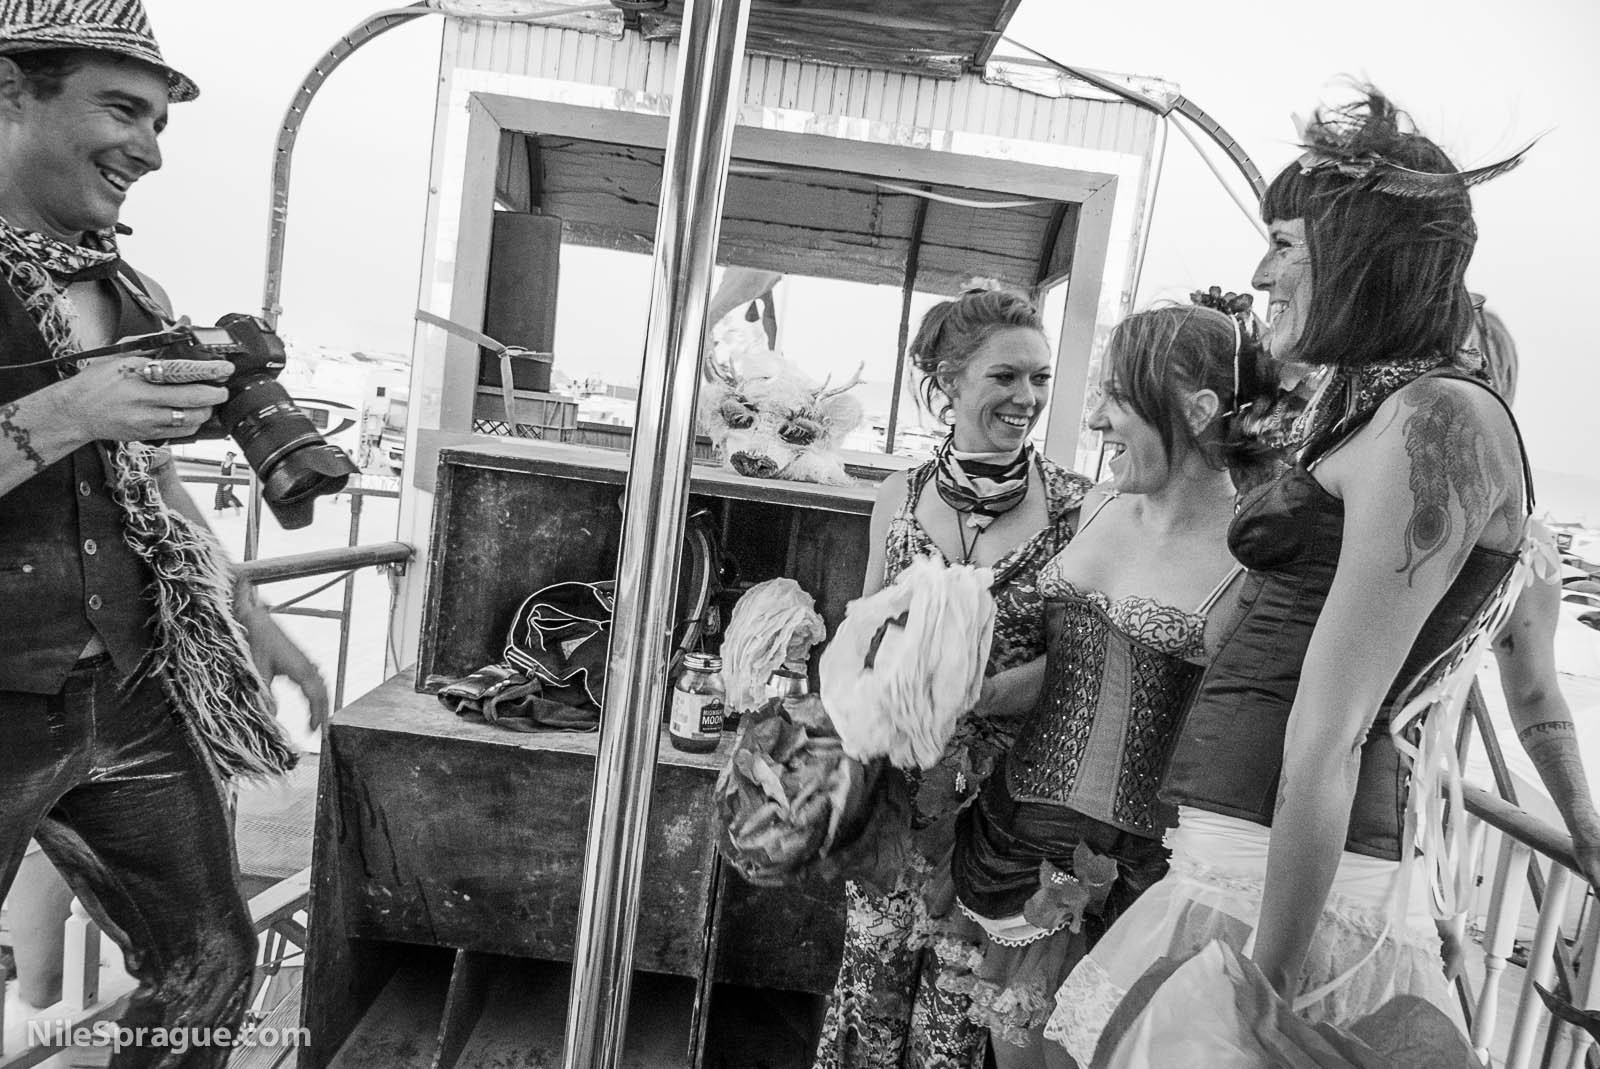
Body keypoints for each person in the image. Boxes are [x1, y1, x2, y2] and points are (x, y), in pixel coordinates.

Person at [1047, 87, 1551, 1061]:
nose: (1260, 273)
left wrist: (1258, 1003)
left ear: (1358, 255)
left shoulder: (1437, 420)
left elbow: (1331, 734)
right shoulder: (1371, 408)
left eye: (1283, 244)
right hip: (1235, 853)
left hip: (1287, 891)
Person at [0, 2, 326, 1064]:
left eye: (159, 122)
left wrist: (247, 613)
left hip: (125, 688)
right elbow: (87, 421)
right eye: (121, 109)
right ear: (12, 90)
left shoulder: (135, 290)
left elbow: (153, 483)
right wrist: (72, 408)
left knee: (212, 958)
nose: (148, 148)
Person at [937, 304, 1272, 1068]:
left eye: (1117, 396)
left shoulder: (1256, 551)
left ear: (1198, 409)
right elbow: (1067, 665)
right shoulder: (1098, 503)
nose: (1094, 418)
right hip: (1017, 838)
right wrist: (973, 693)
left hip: (1140, 878)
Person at [813, 284, 1093, 1069]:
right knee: (872, 988)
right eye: (1005, 375)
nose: (1026, 396)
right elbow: (862, 630)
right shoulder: (898, 497)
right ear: (949, 381)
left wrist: (976, 691)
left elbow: (1080, 662)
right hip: (897, 797)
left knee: (959, 1015)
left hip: (1005, 811)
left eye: (1039, 378)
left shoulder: (1076, 509)